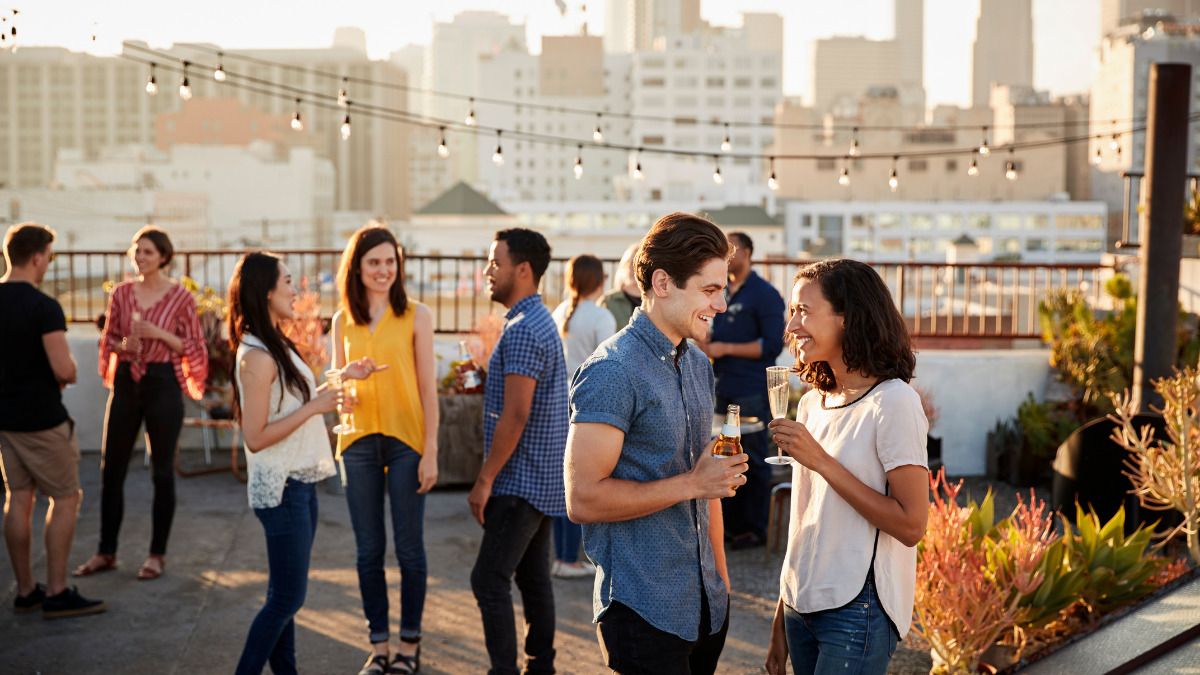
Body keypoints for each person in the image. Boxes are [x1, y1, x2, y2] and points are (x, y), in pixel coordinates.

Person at [565, 212, 749, 675]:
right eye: (710, 290)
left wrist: (721, 583)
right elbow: (582, 499)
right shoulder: (612, 370)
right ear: (663, 282)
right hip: (642, 611)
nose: (722, 305)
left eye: (723, 289)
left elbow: (709, 488)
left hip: (705, 605)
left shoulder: (697, 365)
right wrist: (691, 483)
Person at [764, 259, 929, 675]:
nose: (792, 326)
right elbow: (804, 520)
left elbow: (911, 526)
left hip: (857, 609)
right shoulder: (811, 402)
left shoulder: (893, 402)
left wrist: (820, 460)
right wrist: (781, 614)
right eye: (791, 312)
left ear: (847, 317)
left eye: (803, 311)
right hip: (802, 604)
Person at [228, 251, 371, 675]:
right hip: (281, 488)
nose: (296, 289)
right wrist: (316, 409)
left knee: (283, 596)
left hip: (298, 485)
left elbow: (292, 398)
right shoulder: (256, 355)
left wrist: (344, 375)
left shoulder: (275, 341)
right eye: (288, 282)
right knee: (287, 599)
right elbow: (255, 437)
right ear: (266, 290)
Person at [332, 225, 439, 675]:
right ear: (357, 267)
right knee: (367, 551)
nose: (383, 270)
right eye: (374, 262)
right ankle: (378, 645)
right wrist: (345, 382)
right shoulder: (342, 320)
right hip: (356, 441)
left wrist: (431, 449)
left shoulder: (417, 315)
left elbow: (427, 388)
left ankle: (409, 647)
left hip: (406, 442)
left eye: (390, 262)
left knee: (409, 550)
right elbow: (334, 388)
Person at [75, 226, 208, 581]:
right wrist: (123, 347)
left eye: (148, 252)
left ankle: (156, 555)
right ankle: (106, 551)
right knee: (111, 469)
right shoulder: (121, 294)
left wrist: (158, 334)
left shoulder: (180, 297)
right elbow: (110, 340)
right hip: (126, 384)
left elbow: (192, 345)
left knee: (162, 471)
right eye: (137, 251)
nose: (140, 257)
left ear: (164, 256)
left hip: (163, 383)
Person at [468, 228, 568, 675]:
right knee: (532, 580)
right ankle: (540, 667)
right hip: (540, 479)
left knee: (488, 580)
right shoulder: (535, 322)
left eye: (495, 262)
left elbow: (516, 415)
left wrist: (485, 478)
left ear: (522, 270)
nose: (488, 271)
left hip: (519, 481)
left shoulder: (525, 329)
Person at [0, 223, 105, 619]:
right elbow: (65, 368)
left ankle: (26, 590)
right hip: (41, 419)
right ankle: (58, 591)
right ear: (38, 256)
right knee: (65, 497)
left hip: (5, 420)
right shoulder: (43, 307)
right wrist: (71, 368)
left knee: (18, 499)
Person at [700, 231, 785, 550]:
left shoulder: (764, 294)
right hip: (720, 388)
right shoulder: (723, 291)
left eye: (730, 250)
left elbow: (771, 345)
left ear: (747, 253)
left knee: (752, 458)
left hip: (750, 388)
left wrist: (724, 348)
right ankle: (729, 528)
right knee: (724, 456)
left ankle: (754, 529)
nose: (725, 256)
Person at [549, 254, 616, 579]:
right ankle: (571, 558)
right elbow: (608, 366)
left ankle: (562, 556)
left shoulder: (560, 311)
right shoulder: (601, 317)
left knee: (566, 481)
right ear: (600, 280)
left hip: (557, 401)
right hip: (588, 404)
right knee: (587, 481)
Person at [598, 241, 641, 330]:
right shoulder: (608, 301)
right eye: (630, 263)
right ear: (623, 266)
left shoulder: (655, 301)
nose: (634, 269)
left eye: (639, 264)